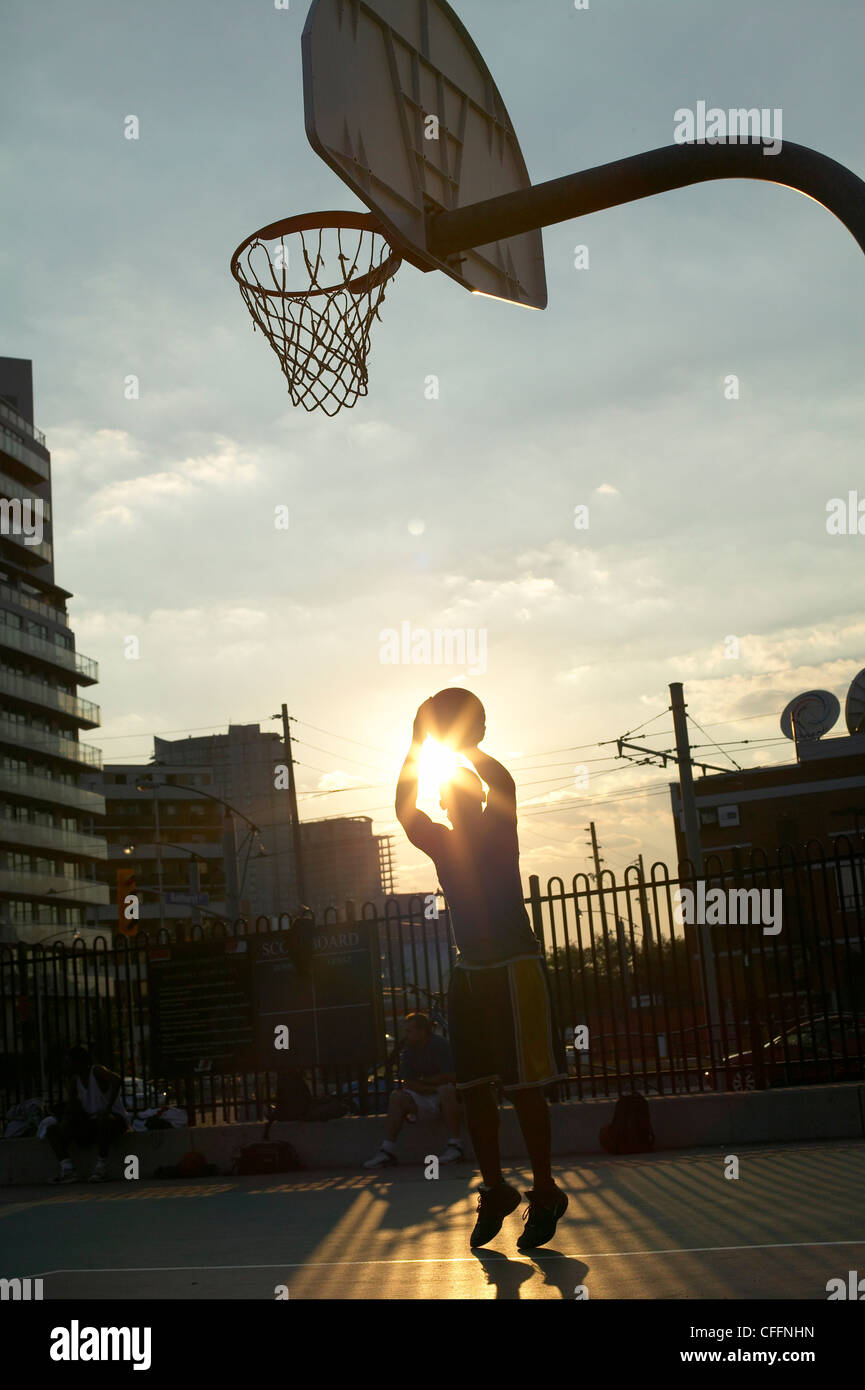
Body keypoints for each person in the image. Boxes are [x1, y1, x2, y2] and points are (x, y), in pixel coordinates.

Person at [395, 700, 568, 1250]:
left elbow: (504, 779)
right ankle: (494, 1188)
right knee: (473, 1092)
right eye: (444, 798)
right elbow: (404, 810)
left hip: (515, 969)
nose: (446, 805)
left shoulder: (499, 827)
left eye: (454, 796)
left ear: (476, 799)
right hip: (469, 973)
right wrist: (419, 741)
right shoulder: (445, 844)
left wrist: (463, 742)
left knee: (524, 1090)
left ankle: (544, 1191)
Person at [364, 1012, 463, 1168]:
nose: (407, 1035)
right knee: (397, 1097)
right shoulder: (408, 1050)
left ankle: (455, 1146)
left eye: (410, 1031)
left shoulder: (440, 1045)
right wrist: (433, 1083)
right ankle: (386, 1151)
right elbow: (409, 1083)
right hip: (425, 1095)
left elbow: (451, 1076)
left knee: (446, 1091)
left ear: (422, 1031)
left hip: (443, 1097)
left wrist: (424, 1082)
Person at [45, 1046, 129, 1183]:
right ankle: (68, 1170)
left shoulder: (96, 1071)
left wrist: (107, 1108)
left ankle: (102, 1168)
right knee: (52, 1130)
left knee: (104, 1120)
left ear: (78, 1062)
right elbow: (71, 1106)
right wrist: (63, 1128)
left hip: (115, 1121)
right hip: (93, 1123)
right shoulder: (74, 1081)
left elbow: (117, 1079)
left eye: (68, 1062)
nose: (66, 1065)